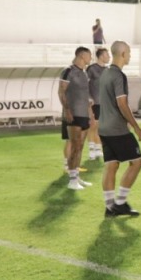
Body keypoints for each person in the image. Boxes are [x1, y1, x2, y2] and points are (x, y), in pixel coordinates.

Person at [97, 40, 141, 217]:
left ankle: (110, 208)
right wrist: (136, 127)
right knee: (137, 162)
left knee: (111, 165)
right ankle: (120, 202)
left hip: (103, 128)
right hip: (117, 129)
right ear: (123, 54)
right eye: (129, 53)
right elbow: (122, 103)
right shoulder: (118, 76)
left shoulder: (105, 74)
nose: (130, 56)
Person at [59, 46, 93, 190]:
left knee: (80, 147)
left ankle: (76, 176)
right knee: (75, 146)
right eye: (89, 56)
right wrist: (67, 111)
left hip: (83, 114)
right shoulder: (68, 71)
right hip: (73, 114)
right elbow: (61, 92)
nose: (90, 59)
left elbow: (85, 96)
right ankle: (72, 180)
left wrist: (90, 112)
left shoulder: (84, 73)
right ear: (82, 56)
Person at [86, 47, 109, 160]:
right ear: (101, 56)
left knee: (100, 127)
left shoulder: (108, 70)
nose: (109, 56)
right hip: (93, 102)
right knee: (92, 126)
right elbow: (84, 84)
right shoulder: (91, 69)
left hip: (104, 103)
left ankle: (98, 149)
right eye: (107, 54)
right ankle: (91, 150)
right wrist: (89, 98)